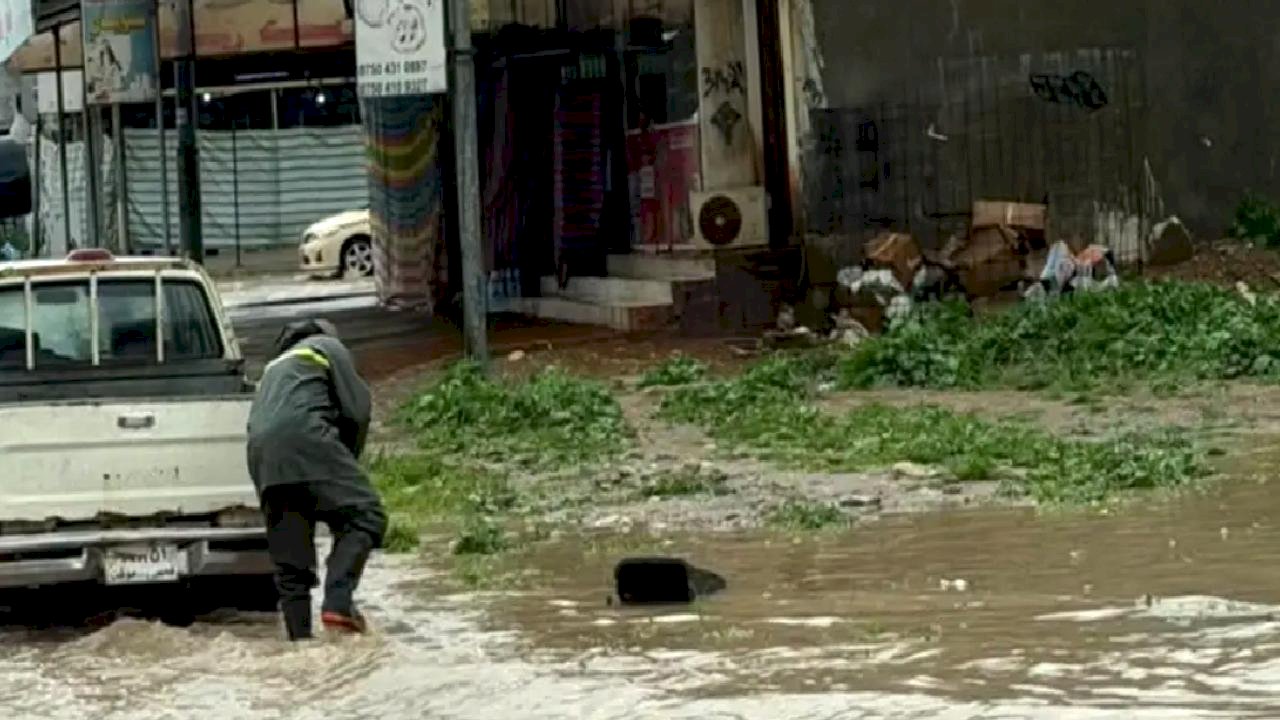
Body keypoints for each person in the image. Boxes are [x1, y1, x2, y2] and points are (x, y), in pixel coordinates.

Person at [247, 318, 387, 641]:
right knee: (368, 516)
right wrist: (345, 465)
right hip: (307, 439)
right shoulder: (328, 347)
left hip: (264, 461)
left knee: (291, 568)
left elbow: (261, 429)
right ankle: (338, 602)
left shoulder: (271, 370)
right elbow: (357, 411)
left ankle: (300, 646)